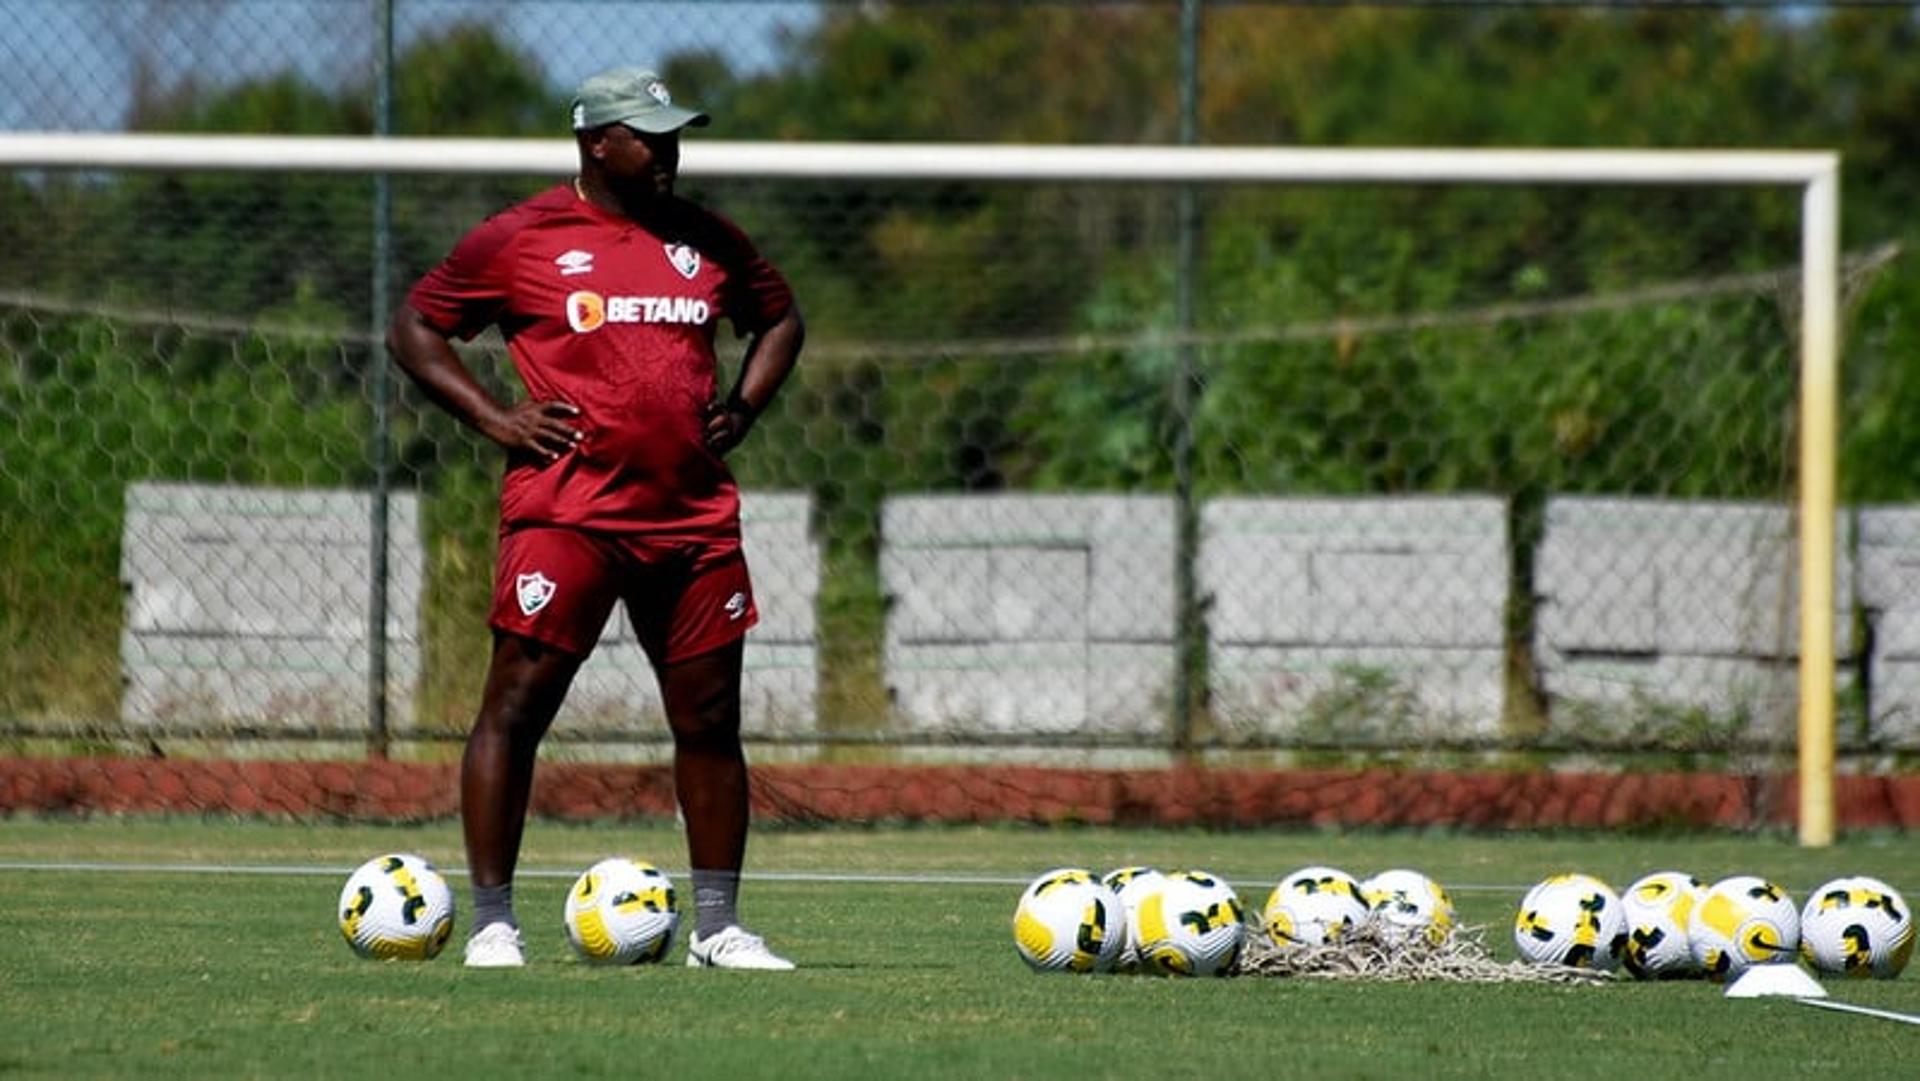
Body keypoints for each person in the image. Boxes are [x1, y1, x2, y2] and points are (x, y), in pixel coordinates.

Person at [387, 66, 804, 970]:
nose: (668, 152)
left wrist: (744, 406)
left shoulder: (706, 239)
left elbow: (780, 319)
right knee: (516, 707)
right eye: (647, 136)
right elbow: (416, 328)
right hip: (566, 514)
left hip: (691, 522)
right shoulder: (523, 237)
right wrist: (498, 418)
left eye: (673, 135)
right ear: (594, 143)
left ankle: (719, 929)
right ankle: (496, 923)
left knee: (709, 721)